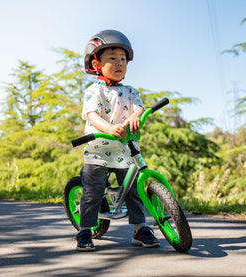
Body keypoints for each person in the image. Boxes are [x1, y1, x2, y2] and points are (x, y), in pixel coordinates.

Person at [75, 29, 159, 251]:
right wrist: (110, 128)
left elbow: (139, 107)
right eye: (112, 58)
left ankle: (140, 228)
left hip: (125, 150)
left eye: (123, 59)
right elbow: (91, 115)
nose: (119, 63)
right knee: (93, 193)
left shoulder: (130, 91)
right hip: (99, 150)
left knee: (134, 189)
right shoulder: (94, 90)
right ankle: (85, 231)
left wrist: (135, 116)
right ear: (97, 65)